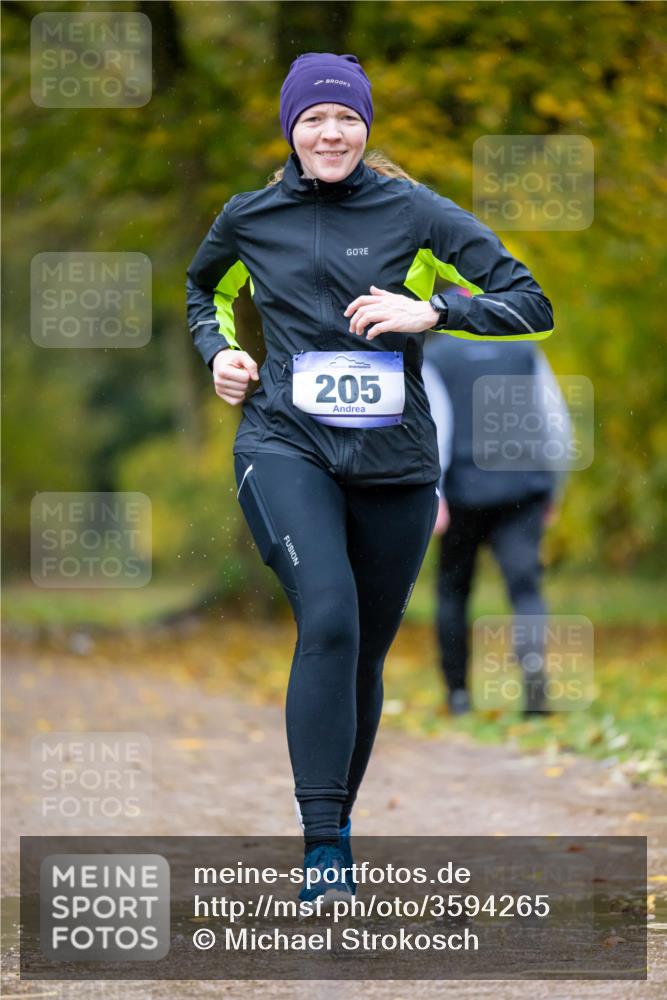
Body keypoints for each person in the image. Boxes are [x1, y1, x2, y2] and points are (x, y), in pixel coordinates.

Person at [186, 51, 554, 906]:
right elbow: (203, 292)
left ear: (365, 127)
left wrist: (434, 310)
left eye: (346, 116)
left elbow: (529, 300)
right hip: (284, 444)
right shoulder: (249, 218)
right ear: (290, 129)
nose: (330, 131)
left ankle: (337, 828)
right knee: (329, 618)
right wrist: (223, 354)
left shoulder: (414, 211)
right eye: (313, 117)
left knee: (364, 654)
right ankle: (323, 853)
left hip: (394, 463)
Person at [422, 323, 570, 715]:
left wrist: (433, 493)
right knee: (525, 588)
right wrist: (554, 486)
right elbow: (555, 424)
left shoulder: (437, 356)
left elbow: (435, 427)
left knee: (453, 592)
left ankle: (458, 695)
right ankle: (533, 674)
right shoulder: (523, 352)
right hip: (521, 492)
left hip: (462, 493)